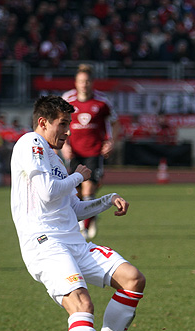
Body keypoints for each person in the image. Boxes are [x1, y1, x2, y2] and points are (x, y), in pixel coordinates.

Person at [10, 95, 146, 331]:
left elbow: (74, 208)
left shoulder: (55, 159)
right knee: (82, 303)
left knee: (132, 279)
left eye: (69, 123)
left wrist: (107, 199)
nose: (68, 131)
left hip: (74, 242)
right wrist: (79, 177)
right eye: (63, 124)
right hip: (45, 243)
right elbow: (47, 193)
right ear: (43, 123)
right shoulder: (30, 143)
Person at [62, 64, 120, 240]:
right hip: (74, 153)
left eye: (87, 81)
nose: (84, 85)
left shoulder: (102, 102)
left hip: (94, 152)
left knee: (89, 186)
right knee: (76, 192)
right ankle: (90, 217)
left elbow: (115, 123)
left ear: (92, 83)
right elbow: (59, 123)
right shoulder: (67, 100)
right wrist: (64, 146)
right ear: (75, 83)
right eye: (81, 81)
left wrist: (111, 142)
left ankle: (83, 229)